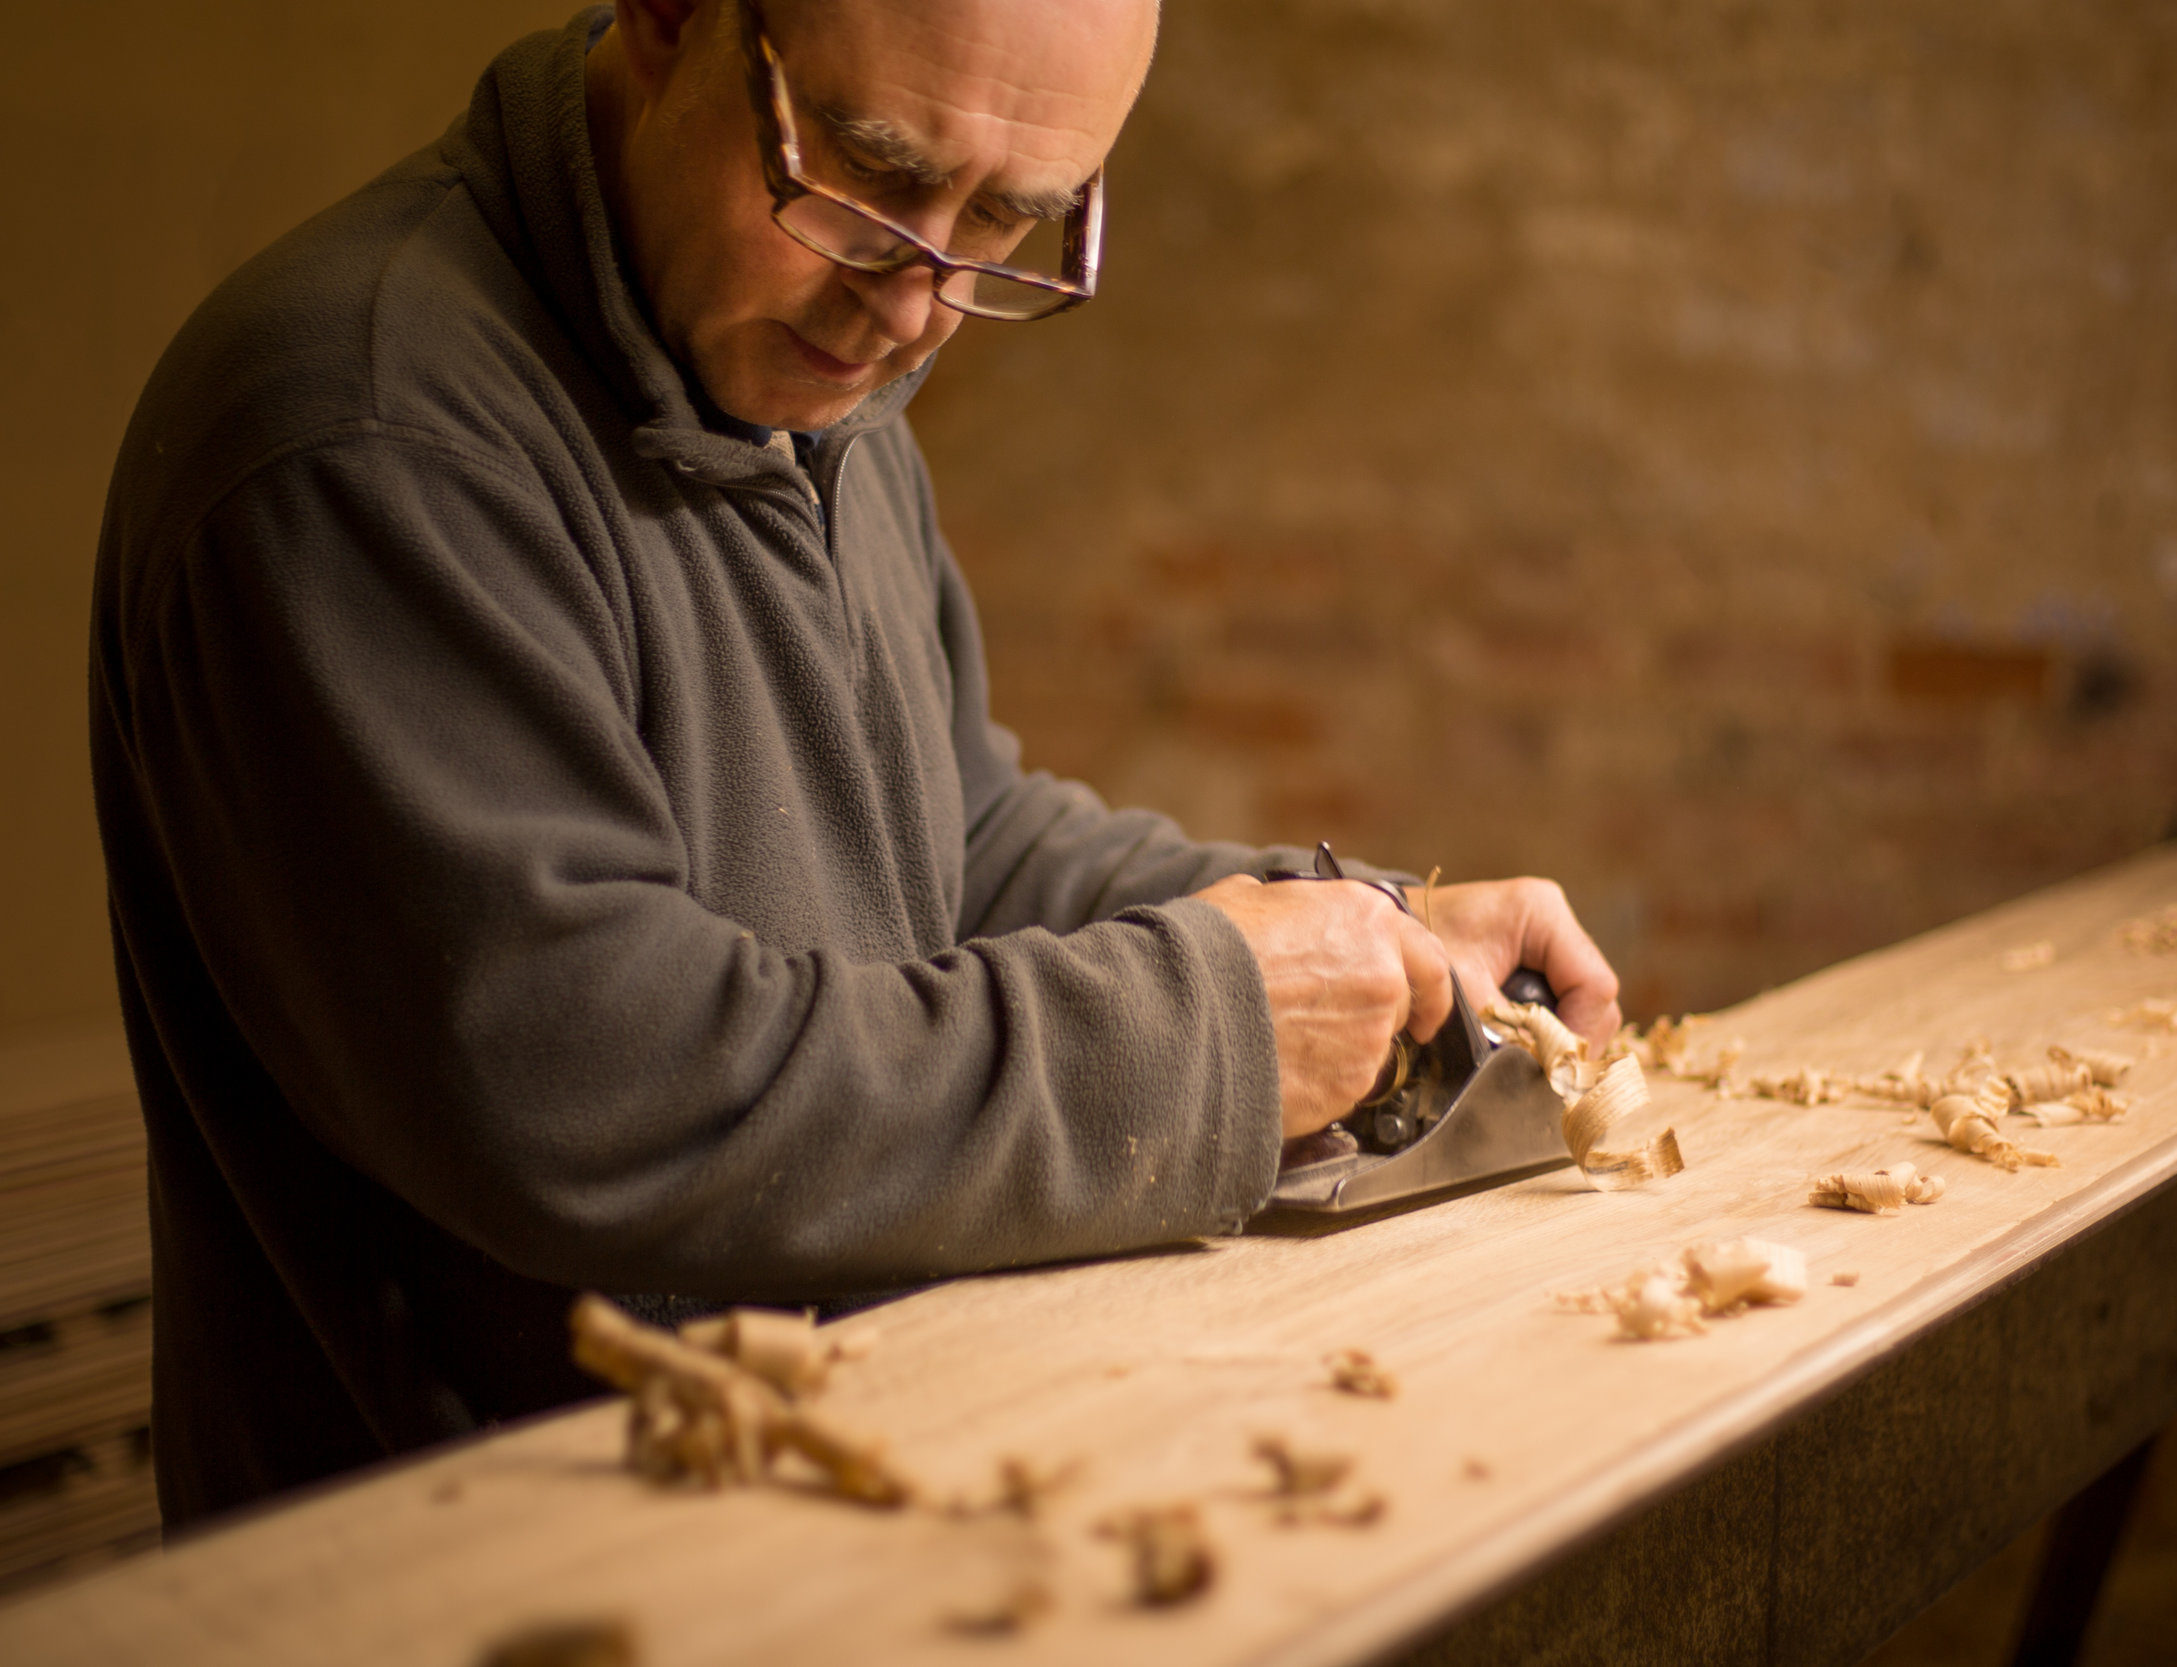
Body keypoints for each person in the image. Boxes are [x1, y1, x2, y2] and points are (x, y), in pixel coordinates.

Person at [89, 0, 1621, 1528]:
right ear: (669, 20)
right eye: (871, 177)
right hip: (497, 1579)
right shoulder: (364, 441)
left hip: (821, 1514)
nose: (917, 307)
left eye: (1012, 217)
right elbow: (614, 1089)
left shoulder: (802, 377)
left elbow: (957, 849)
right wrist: (1217, 1027)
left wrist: (1368, 932)